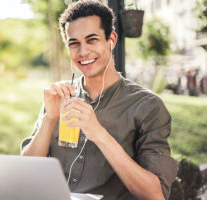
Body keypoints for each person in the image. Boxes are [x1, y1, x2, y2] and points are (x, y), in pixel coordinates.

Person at [20, 1, 177, 199]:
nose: (83, 52)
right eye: (74, 43)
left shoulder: (147, 106)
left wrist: (99, 134)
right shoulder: (60, 97)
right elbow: (25, 173)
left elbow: (156, 194)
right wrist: (49, 119)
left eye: (91, 40)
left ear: (111, 40)